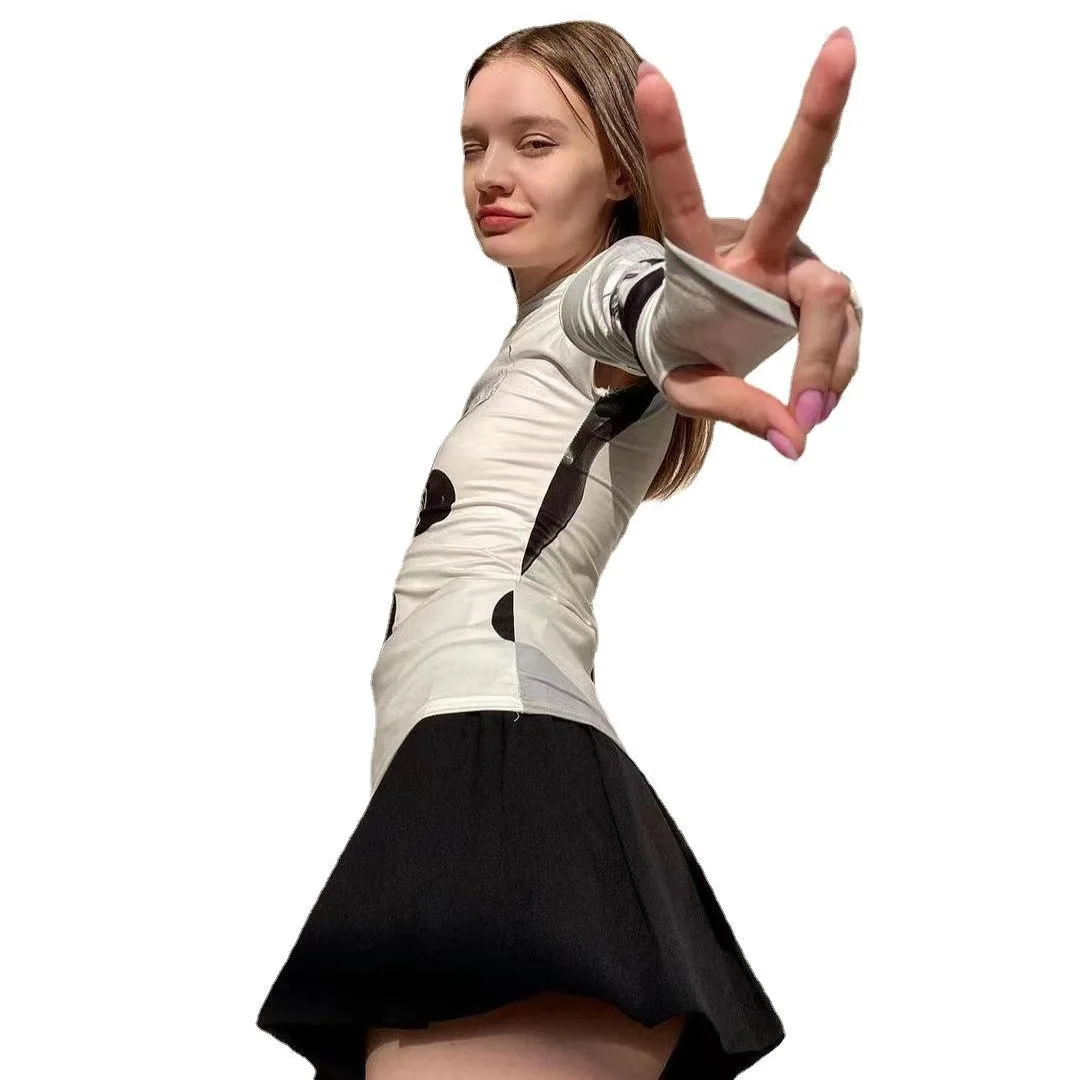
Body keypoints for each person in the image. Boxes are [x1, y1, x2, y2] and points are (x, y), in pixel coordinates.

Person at [256, 19, 861, 1080]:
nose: (491, 174)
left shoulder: (603, 292)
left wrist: (735, 288)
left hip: (503, 768)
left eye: (536, 143)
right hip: (470, 764)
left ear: (620, 170)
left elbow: (651, 304)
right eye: (473, 145)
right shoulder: (536, 336)